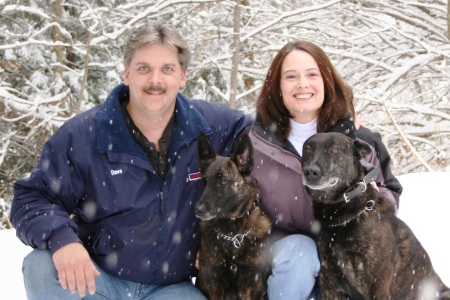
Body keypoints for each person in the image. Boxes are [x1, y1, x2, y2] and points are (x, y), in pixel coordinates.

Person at [10, 20, 252, 300]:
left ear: (183, 76)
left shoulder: (210, 127)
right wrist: (62, 240)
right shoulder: (84, 135)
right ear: (127, 73)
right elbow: (32, 199)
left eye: (167, 69)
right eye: (143, 68)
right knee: (42, 266)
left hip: (171, 289)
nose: (155, 80)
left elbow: (271, 140)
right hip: (97, 280)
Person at [248, 40, 403, 299]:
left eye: (312, 74)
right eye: (290, 76)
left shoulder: (360, 139)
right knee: (300, 252)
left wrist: (374, 202)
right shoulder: (255, 143)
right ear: (276, 87)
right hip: (283, 259)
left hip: (346, 253)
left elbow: (389, 191)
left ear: (326, 81)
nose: (302, 84)